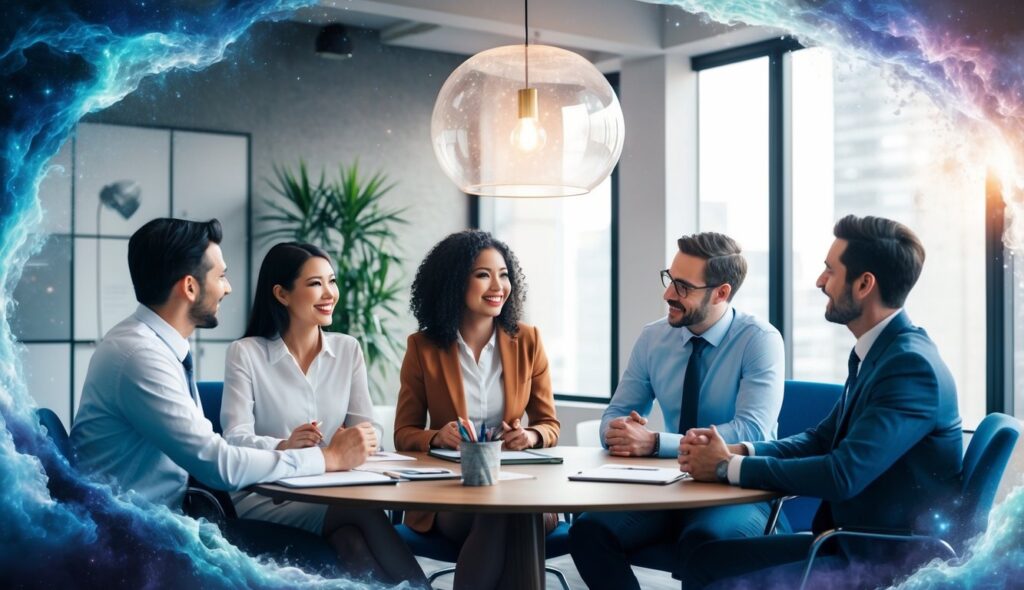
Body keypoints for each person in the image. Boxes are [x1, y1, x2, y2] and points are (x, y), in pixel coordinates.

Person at [680, 215, 963, 590]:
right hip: (850, 542)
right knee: (705, 560)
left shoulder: (910, 368)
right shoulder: (881, 353)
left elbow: (841, 475)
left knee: (715, 572)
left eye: (830, 271)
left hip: (886, 559)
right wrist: (739, 450)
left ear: (864, 284)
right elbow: (818, 439)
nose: (819, 281)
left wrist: (728, 468)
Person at [70, 219, 376, 557]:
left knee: (353, 540)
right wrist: (326, 457)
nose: (227, 288)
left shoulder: (154, 348)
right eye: (221, 276)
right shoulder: (140, 357)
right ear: (190, 287)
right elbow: (220, 465)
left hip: (163, 520)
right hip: (135, 540)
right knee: (356, 522)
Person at [569, 231, 785, 589]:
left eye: (683, 286)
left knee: (703, 544)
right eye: (669, 279)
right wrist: (621, 429)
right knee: (589, 530)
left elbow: (751, 432)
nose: (668, 294)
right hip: (669, 486)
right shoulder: (653, 338)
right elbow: (616, 413)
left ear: (721, 292)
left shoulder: (759, 340)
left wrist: (656, 442)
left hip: (735, 488)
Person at [220, 242, 427, 585]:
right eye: (315, 284)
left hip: (330, 489)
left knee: (352, 544)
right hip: (266, 494)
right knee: (362, 512)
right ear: (282, 294)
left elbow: (369, 428)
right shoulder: (246, 354)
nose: (329, 293)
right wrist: (285, 445)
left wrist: (356, 440)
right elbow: (235, 439)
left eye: (331, 281)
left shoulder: (348, 349)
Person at [393, 230, 560, 590]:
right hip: (452, 495)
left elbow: (549, 425)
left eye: (503, 274)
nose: (498, 285)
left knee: (508, 511)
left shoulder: (528, 341)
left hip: (522, 488)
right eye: (483, 274)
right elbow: (403, 433)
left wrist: (529, 434)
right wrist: (437, 435)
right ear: (454, 281)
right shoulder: (422, 347)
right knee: (502, 515)